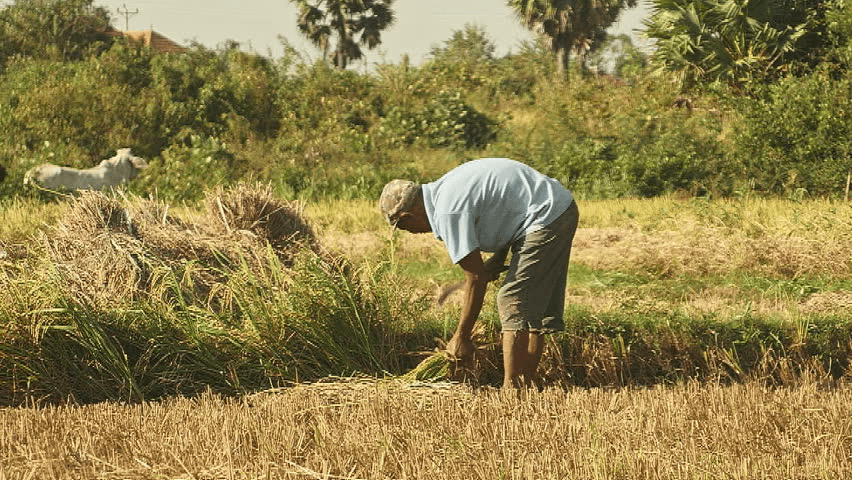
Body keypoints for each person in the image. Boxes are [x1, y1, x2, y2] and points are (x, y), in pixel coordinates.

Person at [379, 157, 579, 389]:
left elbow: (475, 278)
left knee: (512, 298)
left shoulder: (447, 212)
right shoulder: (444, 191)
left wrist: (461, 337)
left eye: (404, 227)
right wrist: (497, 259)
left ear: (407, 217)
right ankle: (527, 384)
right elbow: (508, 208)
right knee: (531, 302)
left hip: (545, 215)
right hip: (557, 206)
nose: (411, 232)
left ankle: (512, 389)